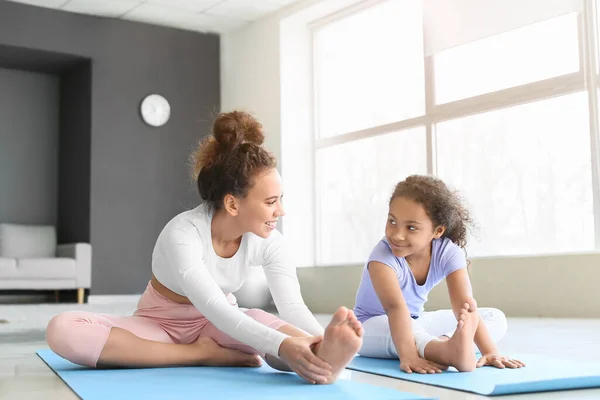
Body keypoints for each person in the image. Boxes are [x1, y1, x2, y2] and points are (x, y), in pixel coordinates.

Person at [46, 111, 363, 385]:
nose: (280, 211)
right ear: (232, 203)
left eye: (281, 200)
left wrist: (316, 337)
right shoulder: (183, 233)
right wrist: (272, 345)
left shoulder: (271, 242)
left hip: (220, 325)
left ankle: (321, 359)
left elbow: (291, 307)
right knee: (63, 330)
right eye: (270, 202)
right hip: (160, 325)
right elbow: (217, 309)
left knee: (282, 338)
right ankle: (197, 355)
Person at [354, 175, 525, 373]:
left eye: (411, 227)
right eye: (392, 221)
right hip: (370, 328)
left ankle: (448, 345)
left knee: (494, 317)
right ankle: (443, 351)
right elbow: (395, 309)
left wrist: (490, 351)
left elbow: (464, 306)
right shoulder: (381, 259)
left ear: (437, 231)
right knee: (409, 328)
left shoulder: (449, 253)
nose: (396, 234)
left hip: (415, 320)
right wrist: (408, 356)